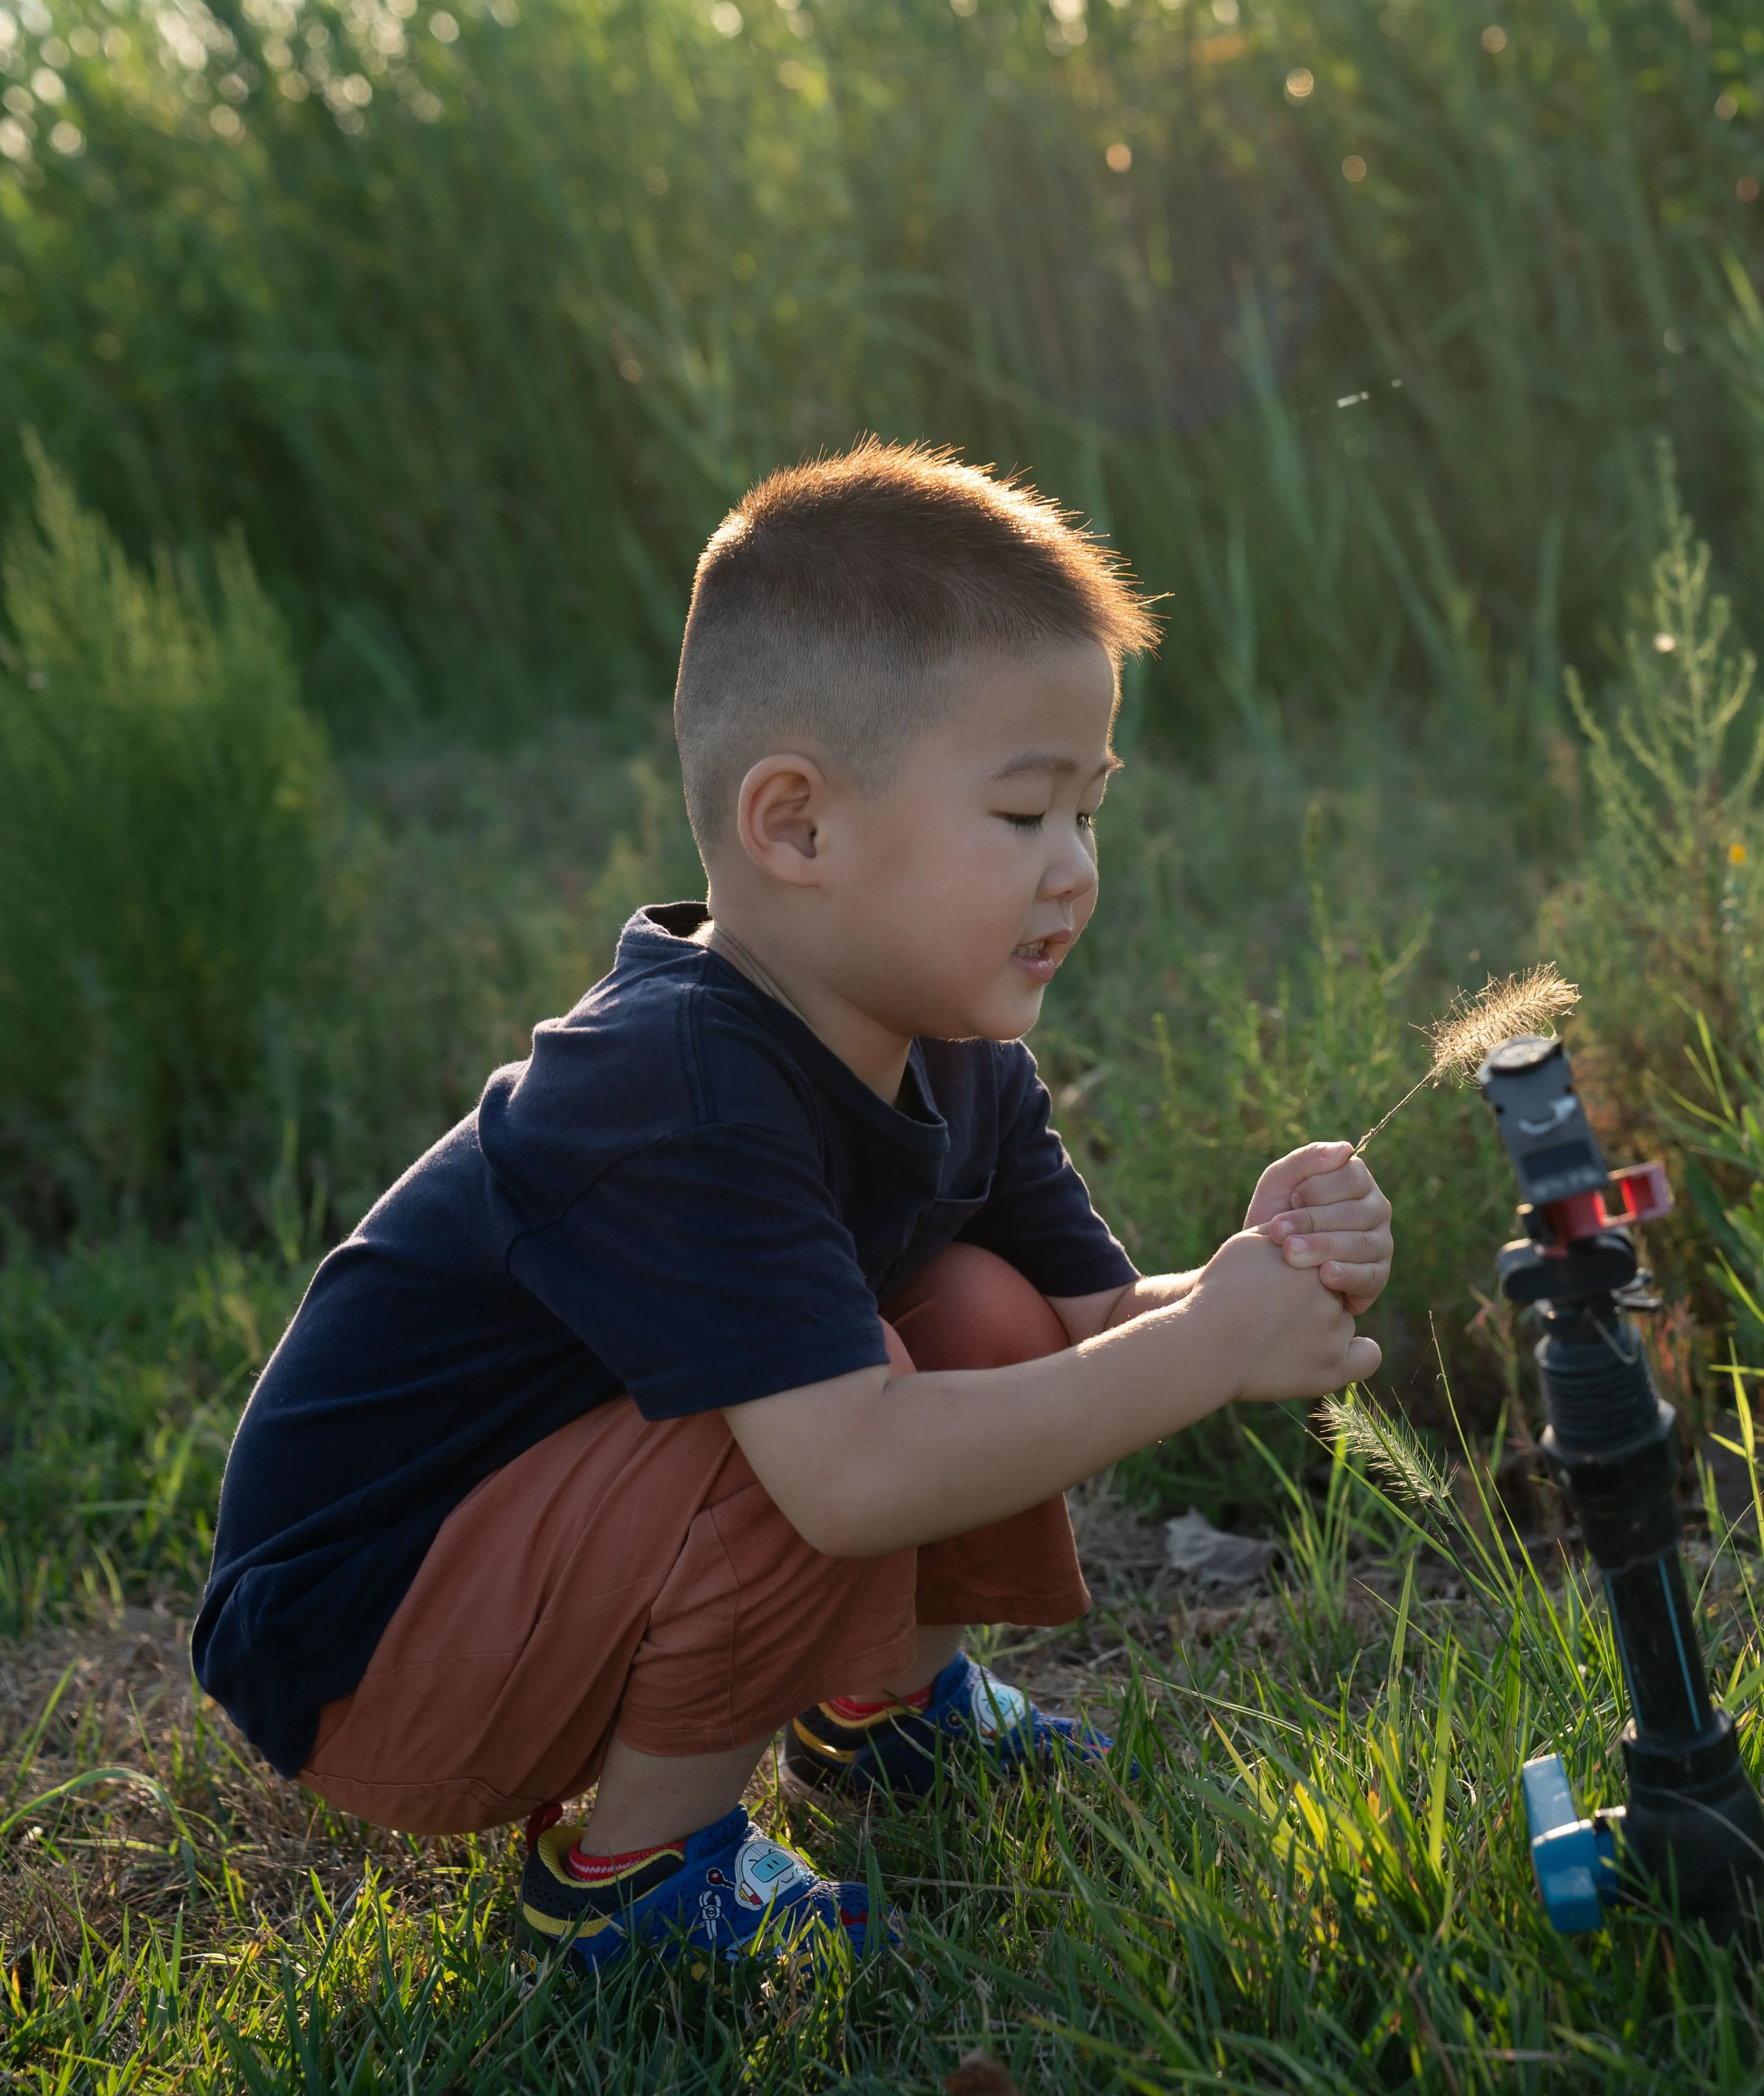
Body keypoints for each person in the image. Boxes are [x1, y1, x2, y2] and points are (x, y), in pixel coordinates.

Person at [191, 441, 1393, 1969]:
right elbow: (847, 1477)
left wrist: (1257, 1276)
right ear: (798, 828)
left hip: (556, 1549)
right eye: (1025, 816)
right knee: (850, 1412)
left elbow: (1095, 1330)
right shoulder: (676, 1084)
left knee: (981, 1307)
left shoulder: (950, 1058)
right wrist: (1209, 1343)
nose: (1076, 871)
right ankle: (634, 1884)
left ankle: (887, 1716)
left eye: (1092, 811)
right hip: (372, 1638)